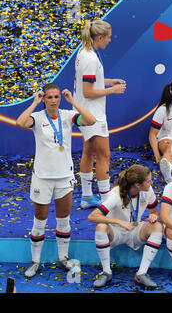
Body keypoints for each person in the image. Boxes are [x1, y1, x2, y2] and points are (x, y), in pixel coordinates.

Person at [15, 83, 96, 278]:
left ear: (60, 98)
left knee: (63, 220)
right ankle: (35, 261)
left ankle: (63, 257)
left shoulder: (68, 115)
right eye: (49, 97)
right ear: (44, 99)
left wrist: (73, 101)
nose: (53, 100)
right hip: (42, 177)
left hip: (64, 177)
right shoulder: (37, 117)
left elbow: (91, 120)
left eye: (56, 97)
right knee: (39, 221)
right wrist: (34, 102)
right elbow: (20, 122)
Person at [74, 20, 127, 209]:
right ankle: (106, 203)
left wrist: (109, 81)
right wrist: (112, 91)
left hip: (83, 109)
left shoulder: (84, 52)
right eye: (109, 37)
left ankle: (87, 197)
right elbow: (88, 91)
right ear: (99, 38)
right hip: (92, 114)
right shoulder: (90, 59)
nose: (110, 40)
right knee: (104, 155)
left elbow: (90, 83)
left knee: (88, 151)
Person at [87, 164, 163, 288]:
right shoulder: (115, 194)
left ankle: (141, 273)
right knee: (101, 226)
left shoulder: (148, 191)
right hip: (115, 231)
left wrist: (154, 216)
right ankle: (107, 272)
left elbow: (154, 211)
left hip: (135, 229)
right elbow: (92, 216)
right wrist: (118, 221)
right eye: (148, 181)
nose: (152, 183)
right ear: (138, 185)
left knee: (157, 226)